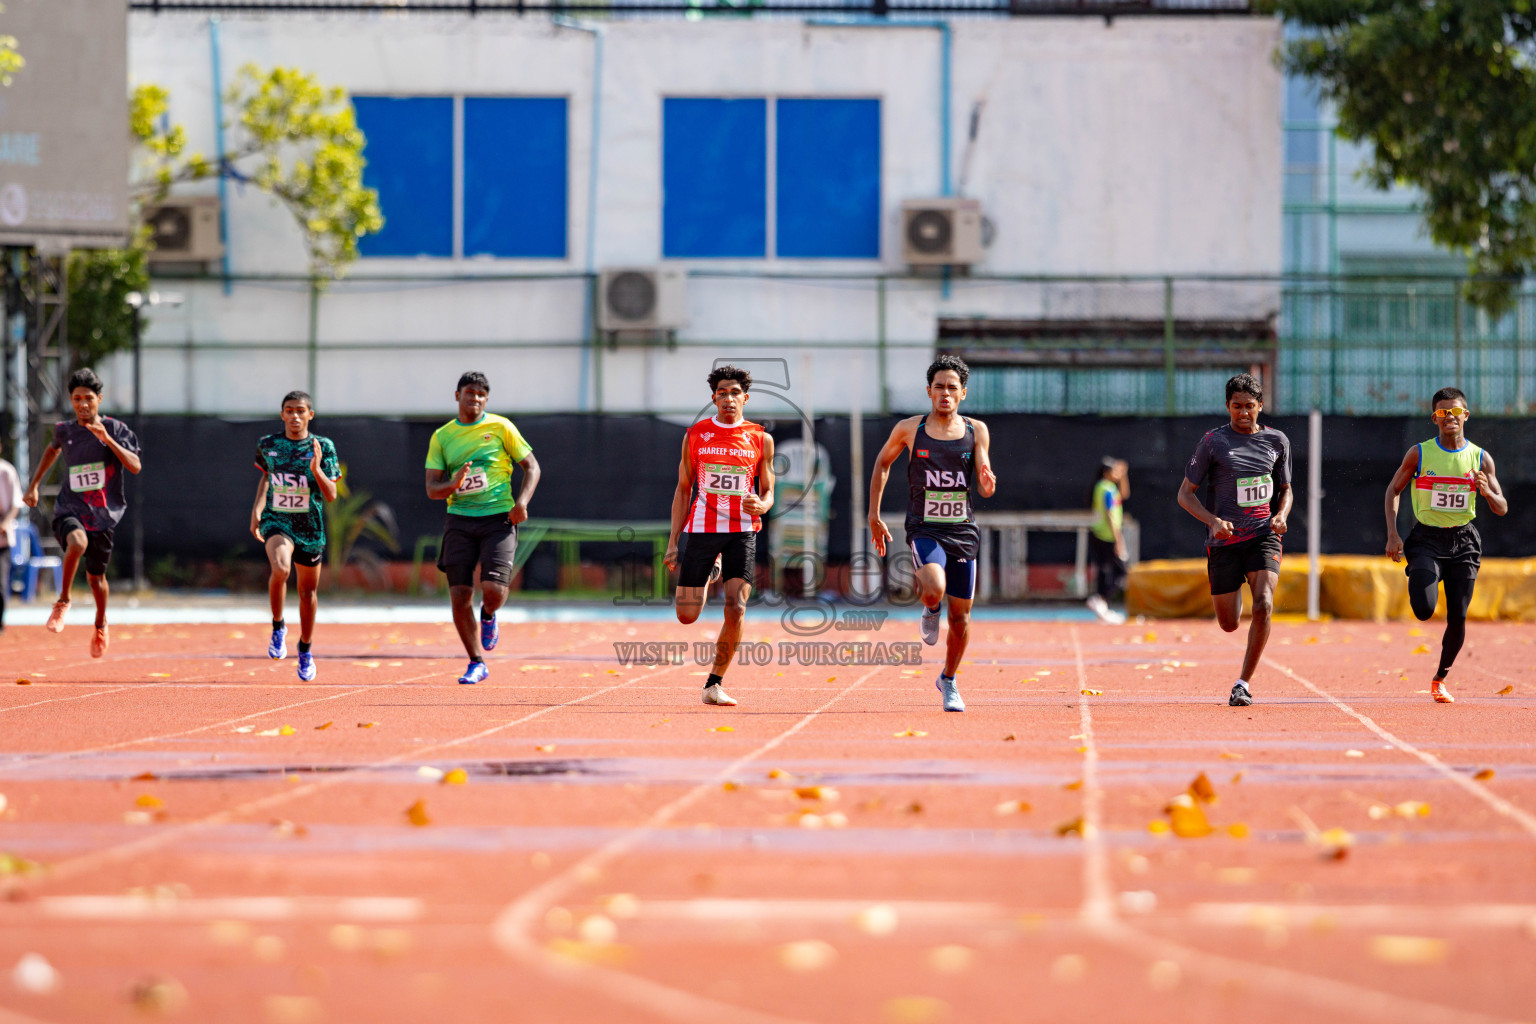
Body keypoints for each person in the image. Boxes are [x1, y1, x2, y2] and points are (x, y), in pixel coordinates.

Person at [868, 354, 997, 712]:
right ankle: (930, 607)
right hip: (925, 528)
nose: (945, 392)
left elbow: (985, 485)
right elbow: (882, 464)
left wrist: (986, 483)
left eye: (952, 387)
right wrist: (873, 515)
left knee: (962, 619)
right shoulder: (910, 429)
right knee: (934, 590)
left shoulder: (977, 431)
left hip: (963, 531)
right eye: (939, 386)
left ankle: (949, 680)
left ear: (963, 393)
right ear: (928, 391)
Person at [1384, 387, 1507, 704]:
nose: (1449, 417)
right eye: (1442, 412)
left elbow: (1501, 506)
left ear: (1465, 415)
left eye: (1455, 411)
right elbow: (1393, 491)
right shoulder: (1420, 453)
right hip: (1426, 538)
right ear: (1434, 418)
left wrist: (1487, 492)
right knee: (1424, 610)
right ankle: (1422, 575)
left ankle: (1440, 678)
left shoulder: (1480, 458)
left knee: (1459, 617)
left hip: (1464, 541)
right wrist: (1393, 535)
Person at [663, 365, 775, 707]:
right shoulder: (696, 435)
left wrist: (763, 504)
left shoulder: (760, 438)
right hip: (702, 529)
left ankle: (714, 683)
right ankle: (713, 569)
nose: (729, 399)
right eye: (722, 393)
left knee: (736, 608)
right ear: (714, 398)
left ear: (746, 398)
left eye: (735, 393)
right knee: (686, 615)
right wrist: (672, 543)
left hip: (741, 531)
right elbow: (683, 490)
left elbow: (769, 490)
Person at [1177, 373, 1291, 708]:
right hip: (1224, 542)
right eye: (1237, 406)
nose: (1243, 413)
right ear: (1227, 406)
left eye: (1250, 407)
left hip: (1263, 536)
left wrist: (1281, 515)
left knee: (1265, 604)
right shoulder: (1213, 442)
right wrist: (1213, 521)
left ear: (1260, 407)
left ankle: (1243, 684)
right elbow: (1185, 495)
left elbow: (1285, 489)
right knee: (1229, 624)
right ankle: (1237, 591)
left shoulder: (1277, 441)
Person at [425, 371, 540, 685]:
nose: (474, 398)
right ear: (457, 395)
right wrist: (454, 483)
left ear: (486, 400)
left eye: (480, 394)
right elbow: (433, 489)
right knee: (460, 595)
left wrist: (522, 503)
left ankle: (489, 615)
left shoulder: (501, 427)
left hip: (498, 519)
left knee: (492, 592)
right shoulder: (442, 437)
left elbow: (532, 466)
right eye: (469, 392)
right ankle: (476, 661)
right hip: (459, 520)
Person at [21, 367, 142, 657]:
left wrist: (106, 439)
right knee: (77, 542)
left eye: (88, 398)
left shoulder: (116, 429)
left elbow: (135, 466)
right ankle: (62, 601)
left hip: (104, 513)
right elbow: (53, 450)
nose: (82, 404)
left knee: (96, 580)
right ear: (71, 400)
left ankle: (100, 623)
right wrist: (34, 485)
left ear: (99, 399)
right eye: (76, 399)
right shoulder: (65, 430)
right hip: (70, 507)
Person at [250, 391, 339, 681]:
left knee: (307, 592)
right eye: (289, 410)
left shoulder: (323, 446)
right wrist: (257, 510)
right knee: (280, 567)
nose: (294, 416)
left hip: (309, 527)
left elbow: (332, 494)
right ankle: (278, 627)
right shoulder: (268, 444)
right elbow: (266, 477)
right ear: (282, 414)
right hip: (277, 520)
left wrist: (316, 469)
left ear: (310, 414)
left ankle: (305, 649)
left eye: (300, 411)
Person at [1087, 456, 1130, 624]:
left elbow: (1124, 494)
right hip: (1107, 535)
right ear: (1107, 472)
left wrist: (1124, 475)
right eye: (1115, 471)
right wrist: (1118, 540)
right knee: (1119, 571)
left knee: (1105, 568)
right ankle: (1100, 600)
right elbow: (1110, 514)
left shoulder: (1101, 486)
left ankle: (1102, 604)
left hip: (1098, 533)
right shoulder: (1108, 489)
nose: (1118, 474)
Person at [0, 441, 21, 634]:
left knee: (1, 583)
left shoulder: (6, 471)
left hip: (2, 539)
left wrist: (4, 524)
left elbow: (15, 504)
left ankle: (0, 623)